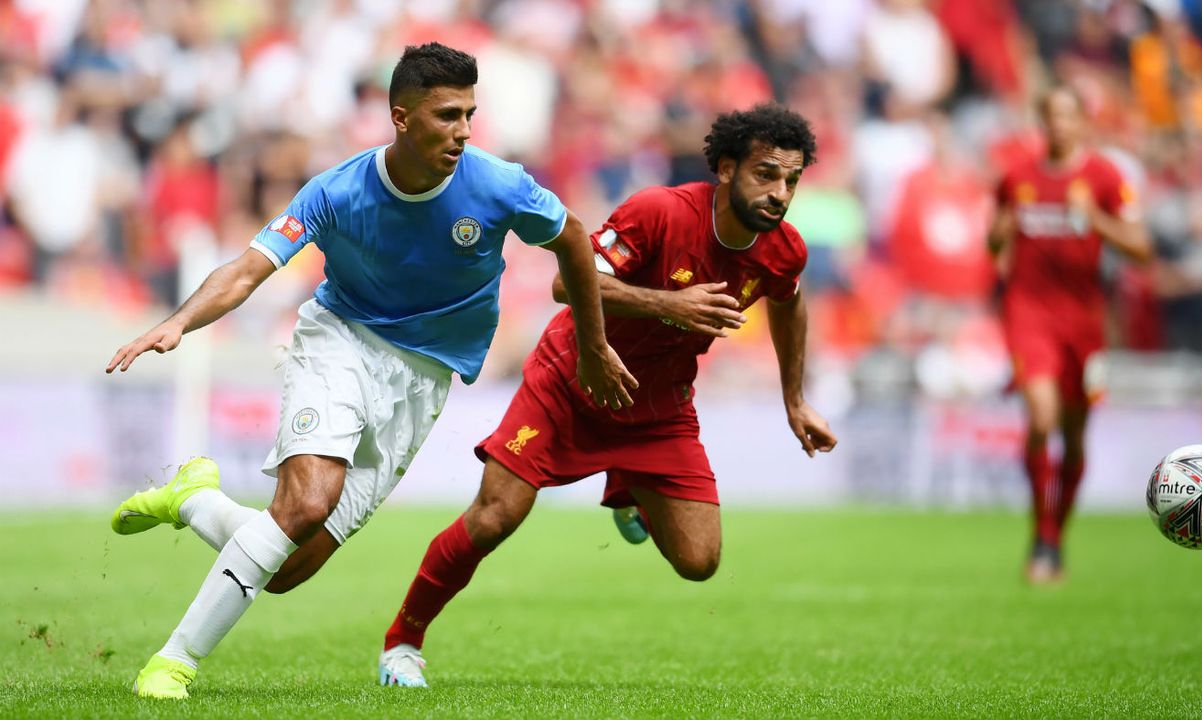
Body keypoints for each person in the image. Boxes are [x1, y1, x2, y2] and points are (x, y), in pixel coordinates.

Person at [103, 42, 635, 700]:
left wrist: (592, 343)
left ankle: (193, 498)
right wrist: (179, 321)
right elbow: (248, 268)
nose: (463, 131)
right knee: (304, 503)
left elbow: (573, 238)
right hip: (341, 343)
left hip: (423, 379)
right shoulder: (336, 191)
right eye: (446, 116)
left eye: (469, 114)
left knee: (287, 567)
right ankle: (171, 664)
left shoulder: (499, 183)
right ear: (401, 117)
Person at [375, 104, 838, 688]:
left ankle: (625, 484)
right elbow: (566, 282)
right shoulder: (659, 211)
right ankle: (402, 644)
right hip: (571, 381)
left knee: (700, 562)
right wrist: (671, 304)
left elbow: (789, 301)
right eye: (766, 174)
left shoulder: (784, 249)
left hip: (658, 408)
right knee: (496, 518)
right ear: (726, 168)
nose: (780, 192)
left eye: (792, 180)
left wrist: (794, 400)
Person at [988, 86, 1151, 584]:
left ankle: (1056, 537)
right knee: (1042, 416)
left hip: (1083, 322)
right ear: (1042, 122)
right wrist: (1002, 233)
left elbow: (1141, 247)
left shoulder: (1104, 177)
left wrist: (1097, 219)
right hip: (1029, 313)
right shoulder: (1018, 178)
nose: (1058, 125)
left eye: (1067, 116)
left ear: (1083, 122)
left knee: (1076, 437)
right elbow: (993, 240)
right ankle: (1041, 537)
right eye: (1050, 115)